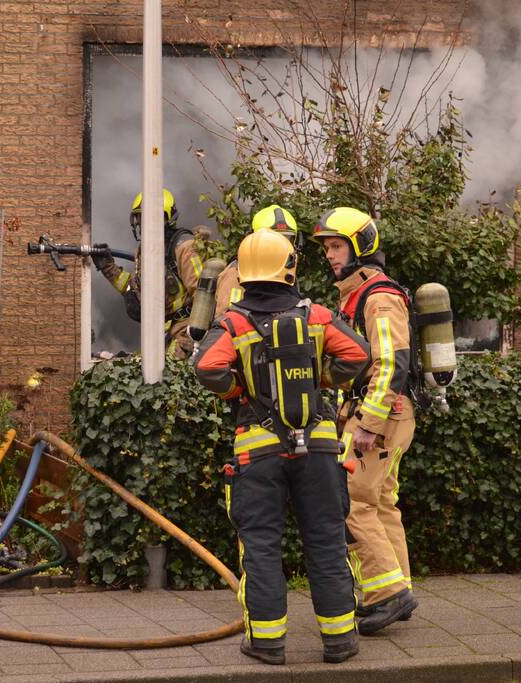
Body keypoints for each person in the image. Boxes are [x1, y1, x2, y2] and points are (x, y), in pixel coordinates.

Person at [193, 228, 370, 665]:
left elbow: (206, 367)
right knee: (328, 541)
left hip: (258, 451)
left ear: (245, 272)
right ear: (289, 268)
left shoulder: (233, 322)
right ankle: (340, 640)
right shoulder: (317, 316)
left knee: (261, 545)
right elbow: (357, 355)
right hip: (321, 448)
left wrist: (239, 390)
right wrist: (320, 380)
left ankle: (268, 643)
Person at [312, 206, 419, 635]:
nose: (330, 255)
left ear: (361, 246)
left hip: (381, 416)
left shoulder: (378, 297)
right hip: (384, 413)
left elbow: (392, 364)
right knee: (381, 504)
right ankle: (398, 588)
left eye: (337, 246)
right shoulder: (358, 294)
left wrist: (366, 426)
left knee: (353, 501)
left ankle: (386, 595)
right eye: (327, 248)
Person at [92, 189, 203, 358]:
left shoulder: (184, 247)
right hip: (162, 332)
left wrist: (195, 335)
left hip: (184, 331)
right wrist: (109, 268)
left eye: (144, 218)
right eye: (138, 218)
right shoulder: (145, 250)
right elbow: (137, 290)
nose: (140, 224)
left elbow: (202, 296)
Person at [213, 204, 301, 317]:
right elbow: (229, 319)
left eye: (287, 239)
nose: (281, 245)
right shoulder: (238, 274)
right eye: (272, 239)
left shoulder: (285, 271)